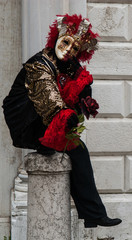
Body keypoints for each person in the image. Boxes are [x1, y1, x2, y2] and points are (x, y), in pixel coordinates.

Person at [2, 14, 122, 228]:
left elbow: (78, 89)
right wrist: (65, 115)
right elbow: (48, 96)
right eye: (66, 42)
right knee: (73, 144)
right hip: (27, 121)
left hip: (50, 121)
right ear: (56, 38)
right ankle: (45, 143)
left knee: (78, 150)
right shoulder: (39, 63)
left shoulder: (68, 66)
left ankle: (93, 214)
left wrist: (85, 96)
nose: (68, 49)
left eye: (75, 48)